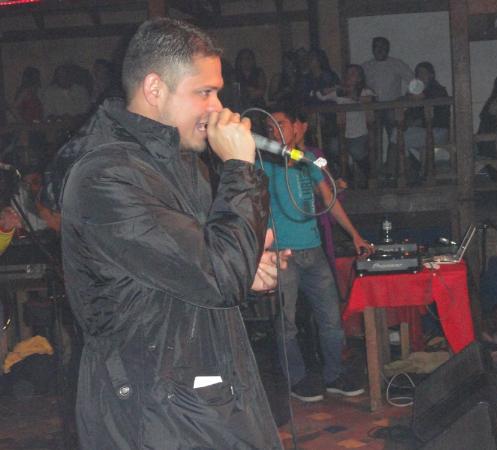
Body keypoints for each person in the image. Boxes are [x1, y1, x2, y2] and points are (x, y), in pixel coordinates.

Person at [57, 18, 287, 449]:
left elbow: (196, 267)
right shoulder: (105, 178)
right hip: (152, 414)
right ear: (154, 88)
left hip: (195, 397)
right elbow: (217, 276)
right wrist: (240, 168)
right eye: (205, 92)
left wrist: (246, 263)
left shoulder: (178, 165)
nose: (218, 107)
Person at [260, 103, 372, 402]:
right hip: (283, 253)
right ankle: (296, 379)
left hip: (313, 250)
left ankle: (334, 374)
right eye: (270, 128)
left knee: (331, 319)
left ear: (297, 127)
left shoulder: (307, 158)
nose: (275, 131)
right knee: (286, 323)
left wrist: (355, 234)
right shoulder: (262, 162)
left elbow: (329, 200)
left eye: (281, 125)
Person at [316, 64, 375, 188]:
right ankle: (347, 175)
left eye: (353, 73)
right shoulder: (339, 92)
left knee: (356, 151)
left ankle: (369, 175)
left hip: (359, 133)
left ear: (359, 78)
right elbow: (320, 95)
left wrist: (353, 96)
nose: (349, 76)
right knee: (333, 148)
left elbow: (371, 99)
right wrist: (334, 88)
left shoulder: (365, 91)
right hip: (342, 133)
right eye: (347, 73)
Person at [362, 37, 413, 171]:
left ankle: (394, 168)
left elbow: (413, 82)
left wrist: (405, 98)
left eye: (383, 46)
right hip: (373, 109)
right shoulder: (366, 67)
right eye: (376, 46)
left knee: (395, 138)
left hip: (392, 109)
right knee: (373, 141)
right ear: (372, 49)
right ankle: (376, 170)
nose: (380, 49)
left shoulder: (396, 64)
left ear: (388, 48)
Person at [403, 61, 450, 169]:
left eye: (423, 73)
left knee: (397, 137)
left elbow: (440, 116)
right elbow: (410, 113)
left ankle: (405, 170)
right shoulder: (414, 91)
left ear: (431, 75)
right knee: (398, 134)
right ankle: (416, 170)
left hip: (438, 131)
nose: (420, 76)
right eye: (418, 73)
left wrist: (420, 122)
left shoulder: (438, 90)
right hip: (423, 131)